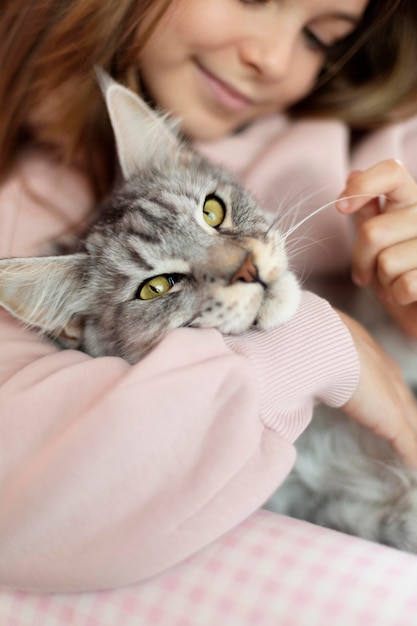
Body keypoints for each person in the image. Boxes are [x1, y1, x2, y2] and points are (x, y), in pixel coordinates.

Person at [0, 0, 417, 592]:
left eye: (320, 36)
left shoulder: (381, 140)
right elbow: (23, 510)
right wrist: (318, 341)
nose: (272, 59)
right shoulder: (24, 212)